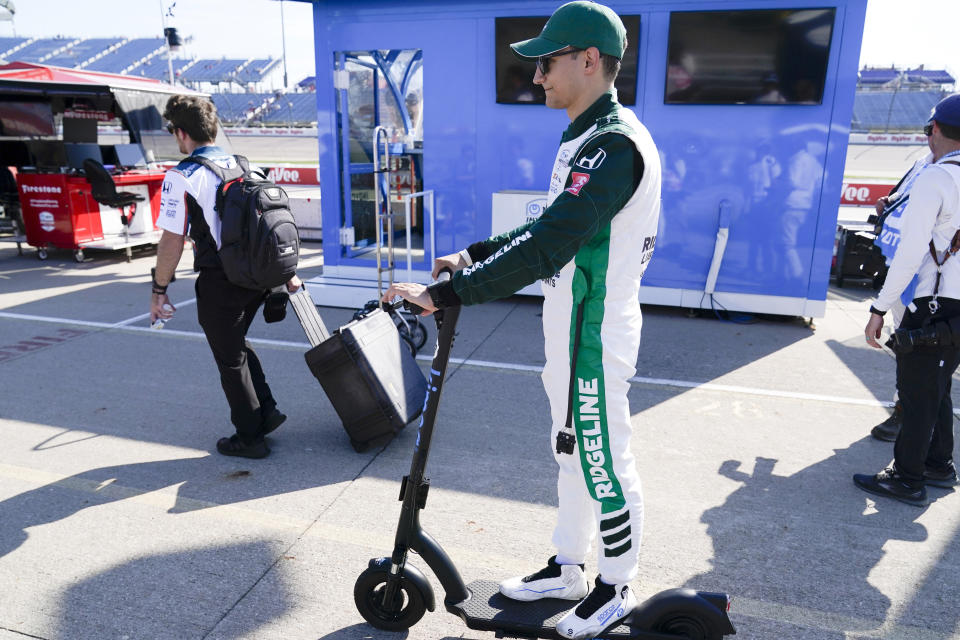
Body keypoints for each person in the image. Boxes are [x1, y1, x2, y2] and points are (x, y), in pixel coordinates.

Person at [382, 3, 661, 637]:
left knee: (605, 457)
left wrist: (449, 294)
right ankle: (569, 567)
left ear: (589, 61)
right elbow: (546, 224)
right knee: (572, 452)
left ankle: (615, 585)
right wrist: (474, 254)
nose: (537, 77)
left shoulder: (615, 144)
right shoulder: (587, 136)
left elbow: (548, 247)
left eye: (546, 62)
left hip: (594, 332)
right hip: (571, 325)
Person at [149, 95, 301, 460]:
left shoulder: (182, 175)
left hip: (222, 281)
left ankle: (249, 438)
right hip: (258, 279)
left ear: (182, 133)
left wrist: (159, 289)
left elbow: (172, 240)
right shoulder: (244, 166)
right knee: (235, 344)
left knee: (229, 359)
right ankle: (266, 412)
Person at [856, 93, 960, 506]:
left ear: (934, 130)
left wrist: (880, 308)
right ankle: (939, 463)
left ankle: (907, 477)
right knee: (937, 387)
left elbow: (910, 253)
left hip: (932, 302)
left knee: (918, 395)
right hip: (955, 307)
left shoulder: (936, 177)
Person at [868, 150, 932, 441]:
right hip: (903, 266)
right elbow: (903, 195)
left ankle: (912, 416)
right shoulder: (925, 160)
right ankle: (905, 409)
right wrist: (890, 203)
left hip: (932, 274)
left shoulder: (947, 169)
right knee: (907, 343)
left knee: (922, 350)